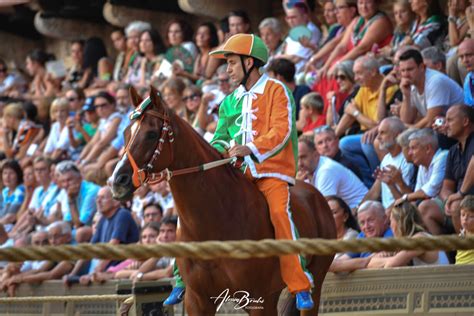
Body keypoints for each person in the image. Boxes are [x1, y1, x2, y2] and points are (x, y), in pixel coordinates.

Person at [164, 34, 314, 310]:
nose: (227, 69)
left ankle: (299, 283)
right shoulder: (228, 101)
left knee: (280, 213)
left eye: (232, 62)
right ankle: (180, 280)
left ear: (250, 62)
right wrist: (216, 150)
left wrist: (250, 148)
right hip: (235, 175)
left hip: (271, 173)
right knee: (187, 216)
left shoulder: (277, 90)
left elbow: (281, 132)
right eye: (227, 63)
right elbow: (220, 137)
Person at [393, 129, 448, 235]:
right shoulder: (422, 165)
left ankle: (438, 250)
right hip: (433, 205)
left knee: (424, 207)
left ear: (428, 148)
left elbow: (428, 192)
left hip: (446, 206)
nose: (409, 153)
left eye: (413, 148)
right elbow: (418, 194)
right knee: (401, 211)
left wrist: (404, 198)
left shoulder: (443, 157)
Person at [398, 49, 463, 129]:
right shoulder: (411, 84)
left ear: (422, 67)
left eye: (410, 69)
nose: (406, 75)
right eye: (402, 71)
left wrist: (409, 130)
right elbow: (406, 120)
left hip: (459, 128)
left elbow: (430, 121)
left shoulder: (436, 81)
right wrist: (406, 96)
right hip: (442, 127)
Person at [297, 136, 367, 209]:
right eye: (296, 159)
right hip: (346, 213)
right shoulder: (307, 170)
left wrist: (298, 187)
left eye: (303, 157)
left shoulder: (326, 170)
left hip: (361, 210)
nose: (299, 164)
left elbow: (323, 209)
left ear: (316, 155)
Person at [367, 202, 442, 268]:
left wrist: (386, 259)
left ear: (399, 223)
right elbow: (368, 261)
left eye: (390, 222)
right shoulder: (408, 241)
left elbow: (390, 265)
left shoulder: (420, 239)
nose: (390, 226)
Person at [363, 117, 414, 210]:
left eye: (382, 133)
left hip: (398, 213)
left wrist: (387, 213)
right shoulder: (386, 158)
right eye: (378, 133)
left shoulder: (407, 161)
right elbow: (375, 192)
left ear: (397, 135)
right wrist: (358, 209)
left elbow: (406, 200)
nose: (378, 137)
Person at [330, 200, 393, 273]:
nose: (366, 226)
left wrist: (353, 264)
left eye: (370, 220)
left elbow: (373, 263)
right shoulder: (363, 235)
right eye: (362, 223)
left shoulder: (392, 234)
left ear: (384, 218)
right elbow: (340, 262)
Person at [326, 196, 359, 260]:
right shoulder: (323, 238)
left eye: (333, 213)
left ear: (345, 216)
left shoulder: (352, 236)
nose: (328, 217)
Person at [456, 195, 474, 264]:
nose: (465, 219)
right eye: (463, 215)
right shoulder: (461, 234)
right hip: (459, 271)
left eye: (471, 216)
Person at [458, 38, 474, 106]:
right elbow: (469, 107)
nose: (465, 60)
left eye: (469, 55)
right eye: (461, 57)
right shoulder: (468, 79)